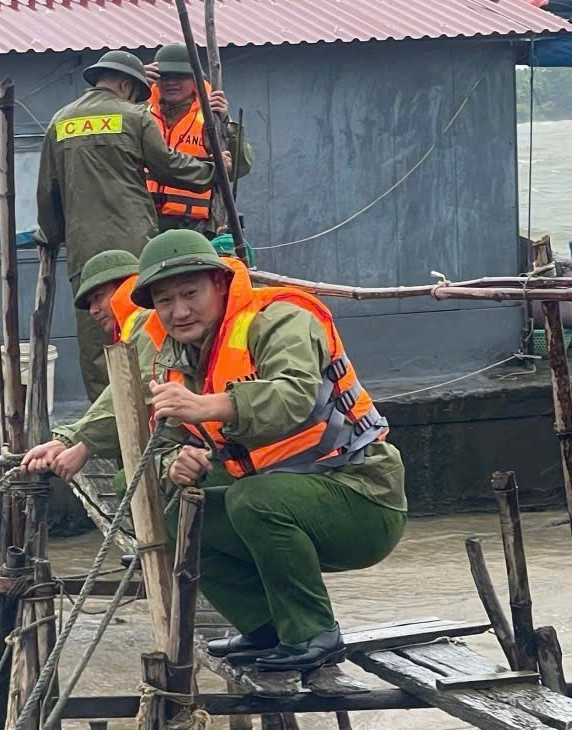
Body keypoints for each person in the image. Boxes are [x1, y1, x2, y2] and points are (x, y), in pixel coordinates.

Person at [127, 229, 407, 672]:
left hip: (361, 493)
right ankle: (265, 627)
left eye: (190, 293)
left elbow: (292, 395)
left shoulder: (281, 318)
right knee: (179, 511)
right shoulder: (179, 356)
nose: (178, 311)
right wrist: (179, 462)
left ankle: (314, 633)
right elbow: (164, 440)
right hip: (285, 494)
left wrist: (208, 405)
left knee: (252, 499)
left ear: (219, 284)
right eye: (164, 301)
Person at [36, 49, 229, 403]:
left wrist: (52, 236)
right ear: (126, 85)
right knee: (145, 331)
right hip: (134, 248)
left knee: (99, 343)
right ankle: (154, 409)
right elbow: (168, 166)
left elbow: (48, 193)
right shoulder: (134, 116)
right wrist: (214, 170)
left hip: (85, 251)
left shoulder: (59, 121)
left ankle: (107, 426)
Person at [21, 250, 165, 481]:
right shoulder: (133, 327)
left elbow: (139, 385)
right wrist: (67, 439)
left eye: (98, 296)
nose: (93, 310)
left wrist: (81, 443)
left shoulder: (147, 319)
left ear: (125, 287)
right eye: (89, 304)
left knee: (128, 483)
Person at [144, 43, 254, 235]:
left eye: (181, 76)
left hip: (194, 226)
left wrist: (226, 126)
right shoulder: (139, 113)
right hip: (145, 222)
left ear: (196, 80)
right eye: (165, 76)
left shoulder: (211, 118)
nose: (171, 82)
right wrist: (133, 86)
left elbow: (239, 168)